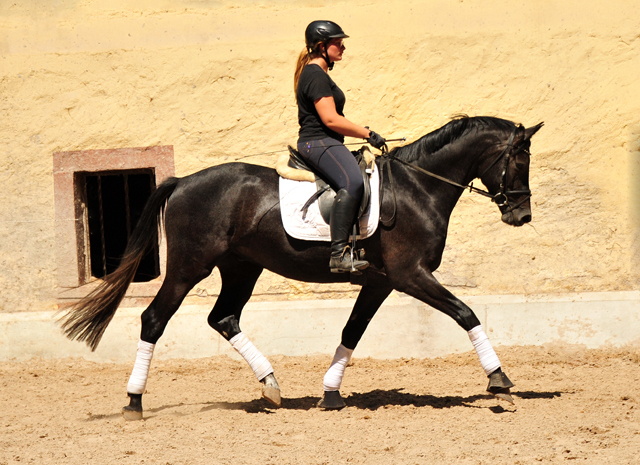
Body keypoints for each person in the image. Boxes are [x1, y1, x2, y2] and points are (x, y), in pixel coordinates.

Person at [294, 20, 387, 273]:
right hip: (318, 142)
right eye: (338, 42)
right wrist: (367, 134)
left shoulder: (319, 74)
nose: (343, 47)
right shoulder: (315, 75)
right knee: (353, 181)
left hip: (326, 142)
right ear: (322, 46)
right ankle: (338, 255)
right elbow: (331, 119)